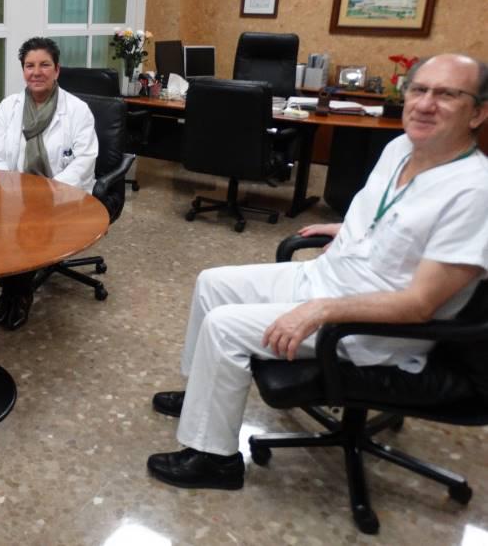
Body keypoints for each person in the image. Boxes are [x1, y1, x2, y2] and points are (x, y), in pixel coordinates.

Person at [147, 53, 488, 490]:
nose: (424, 104)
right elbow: (395, 218)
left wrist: (321, 310)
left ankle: (215, 460)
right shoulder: (402, 147)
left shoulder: (473, 192)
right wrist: (348, 229)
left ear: (477, 112)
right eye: (419, 90)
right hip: (331, 277)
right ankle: (201, 396)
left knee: (224, 326)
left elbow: (420, 305)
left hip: (371, 325)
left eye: (446, 95)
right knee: (213, 283)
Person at [0, 37, 98, 329]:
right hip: (14, 191)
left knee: (28, 224)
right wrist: (8, 189)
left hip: (61, 192)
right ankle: (12, 291)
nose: (36, 72)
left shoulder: (77, 110)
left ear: (57, 70)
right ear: (23, 70)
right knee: (7, 221)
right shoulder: (9, 107)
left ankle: (17, 294)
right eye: (29, 65)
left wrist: (47, 191)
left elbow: (85, 160)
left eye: (44, 65)